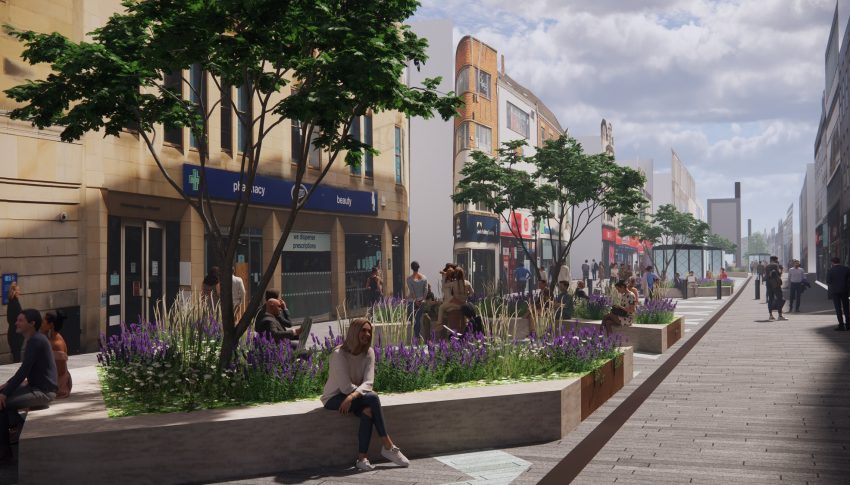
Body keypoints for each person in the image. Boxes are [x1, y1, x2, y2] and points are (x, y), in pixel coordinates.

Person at [321, 319, 409, 471]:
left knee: (368, 410)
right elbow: (345, 387)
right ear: (354, 332)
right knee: (372, 397)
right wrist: (352, 395)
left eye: (369, 331)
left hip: (353, 396)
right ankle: (388, 446)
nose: (367, 334)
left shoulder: (369, 352)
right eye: (363, 330)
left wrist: (352, 397)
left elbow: (369, 382)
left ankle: (362, 459)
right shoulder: (338, 354)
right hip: (334, 398)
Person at [0, 309, 58, 463]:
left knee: (2, 404)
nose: (16, 323)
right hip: (35, 387)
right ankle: (16, 430)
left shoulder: (36, 341)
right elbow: (25, 369)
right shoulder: (34, 339)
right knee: (3, 400)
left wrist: (5, 393)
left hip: (44, 392)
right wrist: (5, 386)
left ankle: (5, 454)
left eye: (20, 320)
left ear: (31, 324)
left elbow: (23, 370)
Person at [41, 311, 72, 399]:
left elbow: (61, 371)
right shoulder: (51, 339)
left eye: (44, 321)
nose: (41, 323)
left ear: (51, 325)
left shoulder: (57, 343)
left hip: (59, 386)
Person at [406, 261, 428, 340]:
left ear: (411, 268)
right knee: (418, 318)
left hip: (412, 301)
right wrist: (422, 300)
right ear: (418, 267)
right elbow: (426, 290)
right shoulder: (424, 278)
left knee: (413, 319)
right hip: (421, 300)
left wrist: (415, 301)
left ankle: (416, 335)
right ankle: (417, 335)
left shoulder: (409, 279)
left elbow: (412, 292)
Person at [827, 257, 850, 331]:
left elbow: (828, 281)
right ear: (839, 261)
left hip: (835, 292)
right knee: (846, 308)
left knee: (838, 308)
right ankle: (848, 325)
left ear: (832, 262)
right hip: (845, 291)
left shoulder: (830, 270)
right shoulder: (846, 269)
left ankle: (841, 325)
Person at [5, 282, 23, 363]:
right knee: (17, 357)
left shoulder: (10, 303)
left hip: (12, 332)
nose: (19, 292)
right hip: (16, 334)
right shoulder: (15, 303)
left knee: (15, 355)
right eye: (18, 290)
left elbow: (9, 319)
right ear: (14, 292)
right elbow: (19, 318)